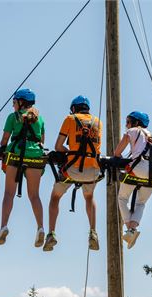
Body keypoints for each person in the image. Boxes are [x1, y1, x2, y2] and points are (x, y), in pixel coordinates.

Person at [43, 95, 103, 252]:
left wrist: (71, 152)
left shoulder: (70, 119)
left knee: (55, 197)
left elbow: (58, 146)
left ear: (74, 108)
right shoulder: (98, 122)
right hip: (93, 171)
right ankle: (93, 232)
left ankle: (51, 234)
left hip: (72, 170)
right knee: (89, 197)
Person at [0, 88, 46, 247]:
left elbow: (4, 141)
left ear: (20, 102)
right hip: (36, 158)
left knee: (9, 193)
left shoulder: (13, 117)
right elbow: (42, 141)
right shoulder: (40, 119)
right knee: (34, 196)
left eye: (14, 103)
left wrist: (3, 146)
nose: (13, 106)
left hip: (17, 155)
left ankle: (3, 226)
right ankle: (40, 227)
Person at [113, 111, 152, 249]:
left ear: (136, 123)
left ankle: (129, 227)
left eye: (128, 122)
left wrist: (119, 156)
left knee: (122, 198)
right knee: (141, 203)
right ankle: (132, 231)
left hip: (138, 168)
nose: (126, 125)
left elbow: (117, 152)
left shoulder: (132, 131)